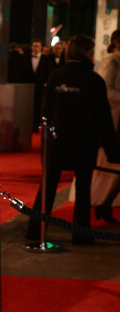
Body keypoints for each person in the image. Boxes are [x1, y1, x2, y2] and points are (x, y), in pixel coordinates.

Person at [25, 34, 120, 245]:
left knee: (48, 185)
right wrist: (113, 150)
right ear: (86, 52)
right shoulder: (94, 80)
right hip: (84, 143)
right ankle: (81, 233)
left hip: (56, 141)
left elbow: (45, 110)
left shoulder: (56, 76)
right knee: (83, 188)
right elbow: (102, 117)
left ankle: (36, 229)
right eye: (93, 51)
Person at [90, 29, 120, 223]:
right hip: (114, 119)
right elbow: (105, 90)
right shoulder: (112, 61)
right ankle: (104, 203)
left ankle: (105, 204)